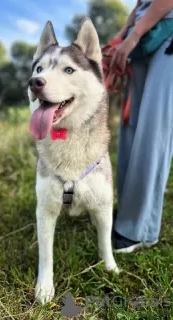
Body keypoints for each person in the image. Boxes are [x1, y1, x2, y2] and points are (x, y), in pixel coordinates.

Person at [109, 0, 173, 253]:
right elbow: (140, 4)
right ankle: (128, 211)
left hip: (167, 32)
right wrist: (122, 36)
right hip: (143, 34)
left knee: (153, 127)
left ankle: (140, 229)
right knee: (131, 126)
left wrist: (133, 36)